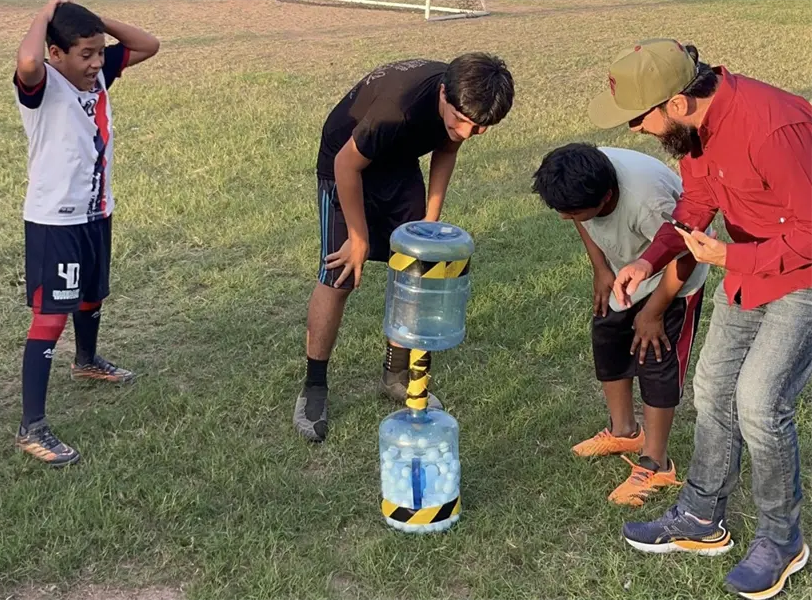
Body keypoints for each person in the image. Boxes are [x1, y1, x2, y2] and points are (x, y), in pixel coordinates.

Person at [589, 38, 811, 598]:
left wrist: (729, 257)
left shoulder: (773, 128)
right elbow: (695, 206)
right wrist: (646, 259)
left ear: (679, 102)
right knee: (713, 389)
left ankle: (783, 540)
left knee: (760, 403)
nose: (638, 129)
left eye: (642, 117)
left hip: (800, 273)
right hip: (747, 267)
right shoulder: (695, 133)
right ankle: (699, 518)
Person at [294, 54, 515, 443]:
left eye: (478, 128)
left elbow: (446, 150)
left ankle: (395, 376)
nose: (465, 132)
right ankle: (314, 388)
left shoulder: (463, 101)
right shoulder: (397, 109)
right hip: (344, 161)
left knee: (414, 270)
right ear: (443, 93)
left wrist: (429, 226)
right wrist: (358, 239)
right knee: (338, 275)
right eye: (461, 121)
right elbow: (348, 165)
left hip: (397, 163)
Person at [13, 0, 160, 467]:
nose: (98, 62)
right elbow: (28, 61)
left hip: (96, 211)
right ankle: (31, 427)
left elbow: (148, 45)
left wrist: (95, 23)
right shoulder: (42, 83)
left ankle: (87, 361)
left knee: (92, 296)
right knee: (51, 315)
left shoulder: (95, 75)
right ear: (58, 52)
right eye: (86, 54)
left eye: (101, 53)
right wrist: (45, 12)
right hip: (55, 219)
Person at [532, 143, 707, 506]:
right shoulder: (582, 173)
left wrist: (654, 311)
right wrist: (600, 268)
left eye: (574, 211)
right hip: (627, 271)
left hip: (675, 279)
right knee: (608, 339)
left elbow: (687, 251)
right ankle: (624, 431)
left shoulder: (649, 201)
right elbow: (581, 218)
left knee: (657, 361)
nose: (567, 218)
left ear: (608, 195)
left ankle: (657, 464)